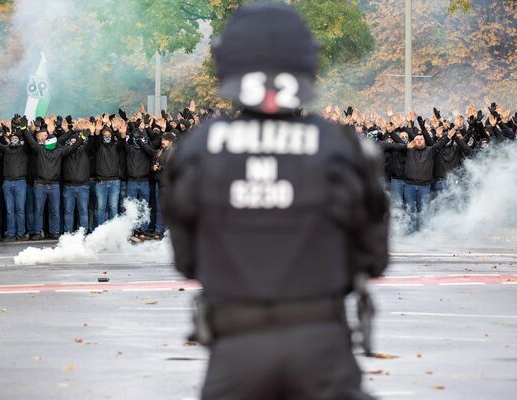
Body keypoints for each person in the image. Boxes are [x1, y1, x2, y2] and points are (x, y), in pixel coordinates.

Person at [164, 4, 389, 399]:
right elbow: (374, 257)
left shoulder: (198, 148)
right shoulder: (339, 146)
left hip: (234, 347)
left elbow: (186, 263)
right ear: (307, 61)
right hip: (323, 347)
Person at [24, 119, 83, 240]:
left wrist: (81, 137)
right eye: (44, 136)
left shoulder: (58, 151)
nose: (46, 138)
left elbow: (72, 147)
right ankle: (38, 232)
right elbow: (30, 140)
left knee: (55, 210)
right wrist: (24, 129)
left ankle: (55, 232)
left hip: (54, 185)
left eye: (47, 137)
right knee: (39, 211)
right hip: (40, 184)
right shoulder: (39, 149)